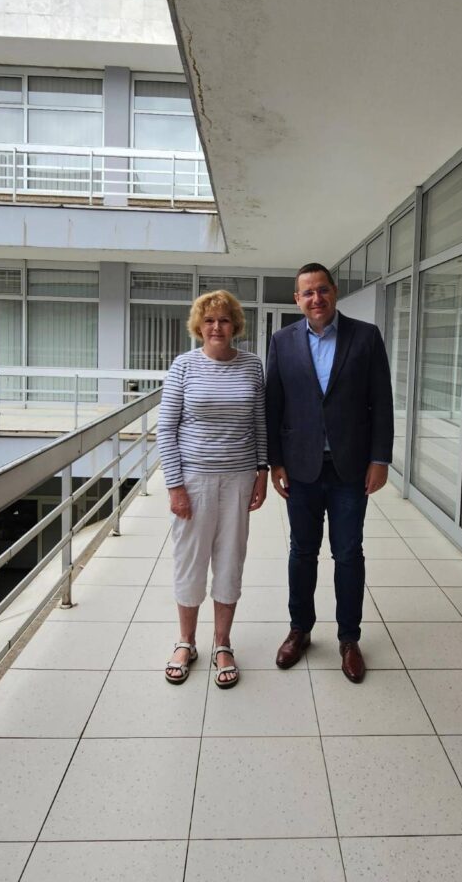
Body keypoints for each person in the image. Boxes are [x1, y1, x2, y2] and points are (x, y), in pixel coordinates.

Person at [266, 262, 393, 682]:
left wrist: (380, 459)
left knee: (348, 553)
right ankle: (299, 630)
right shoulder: (282, 341)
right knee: (301, 553)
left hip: (350, 469)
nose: (316, 299)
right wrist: (275, 461)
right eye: (307, 293)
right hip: (300, 468)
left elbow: (381, 402)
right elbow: (274, 404)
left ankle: (349, 638)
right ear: (297, 300)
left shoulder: (366, 336)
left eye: (322, 290)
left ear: (334, 292)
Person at [157, 289, 268, 689]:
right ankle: (185, 641)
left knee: (229, 560)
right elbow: (166, 429)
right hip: (194, 481)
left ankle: (222, 643)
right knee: (190, 560)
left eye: (223, 320)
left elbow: (260, 423)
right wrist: (175, 486)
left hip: (239, 479)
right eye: (209, 321)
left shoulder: (253, 366)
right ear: (198, 327)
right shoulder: (184, 366)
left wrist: (262, 471)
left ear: (235, 325)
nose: (216, 327)